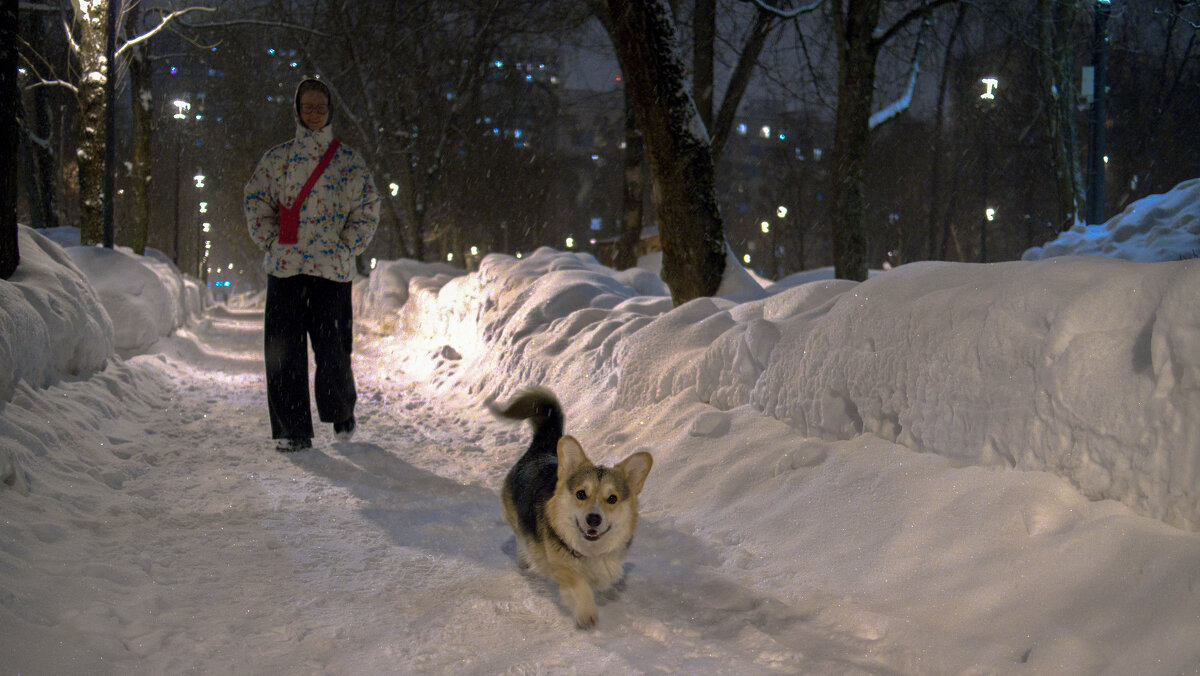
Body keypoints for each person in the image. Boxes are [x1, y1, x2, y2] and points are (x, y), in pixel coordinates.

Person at [244, 77, 380, 451]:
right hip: (286, 270)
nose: (315, 114)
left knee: (334, 350)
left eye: (321, 107)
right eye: (308, 107)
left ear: (330, 110)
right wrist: (270, 240)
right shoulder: (278, 159)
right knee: (283, 352)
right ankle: (293, 430)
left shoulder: (349, 163)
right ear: (298, 111)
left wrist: (347, 246)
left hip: (331, 273)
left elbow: (368, 207)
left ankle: (340, 414)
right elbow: (255, 199)